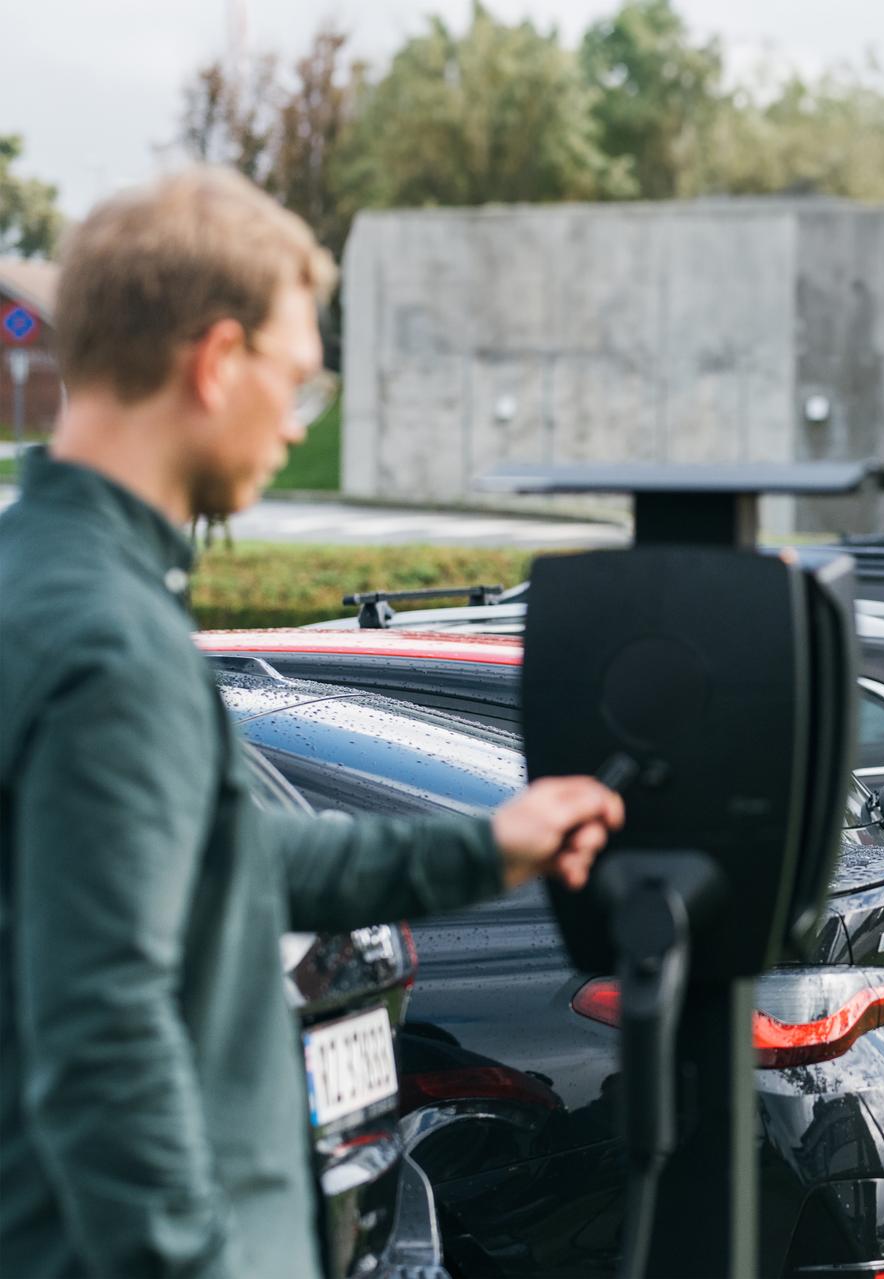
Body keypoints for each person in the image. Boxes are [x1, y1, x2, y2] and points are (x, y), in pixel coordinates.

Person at [0, 168, 624, 1279]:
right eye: (295, 382)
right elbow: (103, 1038)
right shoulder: (107, 642)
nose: (294, 427)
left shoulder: (53, 584)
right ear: (214, 361)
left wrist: (489, 843)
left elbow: (236, 854)